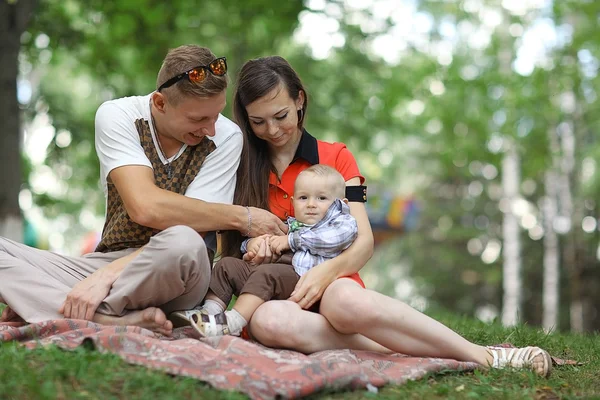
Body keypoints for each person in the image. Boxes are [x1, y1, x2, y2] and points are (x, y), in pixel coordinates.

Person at [215, 55, 553, 377]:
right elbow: (228, 249)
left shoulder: (339, 158)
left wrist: (323, 276)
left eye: (281, 116)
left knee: (344, 300)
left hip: (334, 284)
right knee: (267, 323)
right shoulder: (239, 166)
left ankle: (483, 354)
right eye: (258, 122)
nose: (272, 130)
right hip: (271, 293)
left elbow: (364, 241)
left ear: (300, 100)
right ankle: (395, 350)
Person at [0, 45, 286, 336]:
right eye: (199, 119)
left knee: (185, 240)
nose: (211, 128)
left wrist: (105, 277)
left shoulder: (226, 137)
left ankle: (47, 301)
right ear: (160, 103)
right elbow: (145, 207)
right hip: (108, 263)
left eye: (217, 115)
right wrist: (240, 216)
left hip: (178, 271)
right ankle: (109, 319)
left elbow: (193, 230)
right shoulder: (118, 115)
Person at [187, 164, 357, 337]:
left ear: (341, 204)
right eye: (303, 198)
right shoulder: (291, 225)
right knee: (227, 265)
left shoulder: (341, 223)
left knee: (267, 273)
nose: (311, 204)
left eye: (322, 198)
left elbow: (331, 240)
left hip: (304, 279)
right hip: (276, 275)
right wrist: (254, 244)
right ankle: (209, 313)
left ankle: (233, 322)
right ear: (293, 202)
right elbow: (272, 240)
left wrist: (289, 241)